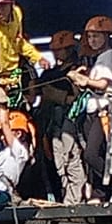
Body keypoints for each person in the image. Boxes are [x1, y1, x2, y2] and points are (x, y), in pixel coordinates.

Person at [34, 30, 87, 204]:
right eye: (55, 50)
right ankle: (61, 196)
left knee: (72, 158)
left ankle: (75, 198)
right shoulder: (49, 74)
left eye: (61, 49)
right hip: (49, 124)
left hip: (71, 122)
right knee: (55, 162)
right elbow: (35, 93)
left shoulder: (79, 69)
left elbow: (79, 96)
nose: (56, 53)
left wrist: (60, 97)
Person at [68, 15, 112, 204]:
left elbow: (104, 84)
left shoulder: (109, 56)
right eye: (89, 37)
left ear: (106, 36)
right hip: (91, 112)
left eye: (96, 36)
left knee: (91, 154)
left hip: (102, 111)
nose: (92, 41)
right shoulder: (98, 59)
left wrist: (85, 81)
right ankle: (101, 190)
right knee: (95, 153)